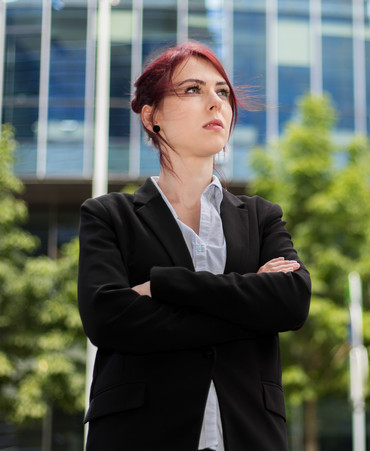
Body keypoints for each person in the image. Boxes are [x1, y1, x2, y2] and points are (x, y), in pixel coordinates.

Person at [77, 42, 311, 450]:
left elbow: (291, 301)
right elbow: (108, 319)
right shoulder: (109, 215)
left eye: (222, 92)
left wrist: (164, 286)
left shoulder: (261, 216)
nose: (215, 103)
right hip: (139, 436)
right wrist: (249, 303)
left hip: (249, 434)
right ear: (153, 118)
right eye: (192, 90)